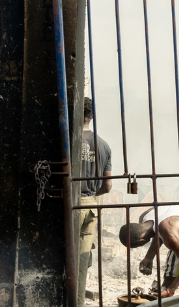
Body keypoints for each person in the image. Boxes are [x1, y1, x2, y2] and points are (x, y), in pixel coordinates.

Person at [78, 98, 112, 307]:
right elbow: (108, 186)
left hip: (68, 203)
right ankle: (78, 300)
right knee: (82, 257)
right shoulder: (103, 146)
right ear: (92, 117)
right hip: (90, 204)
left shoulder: (68, 141)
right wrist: (91, 195)